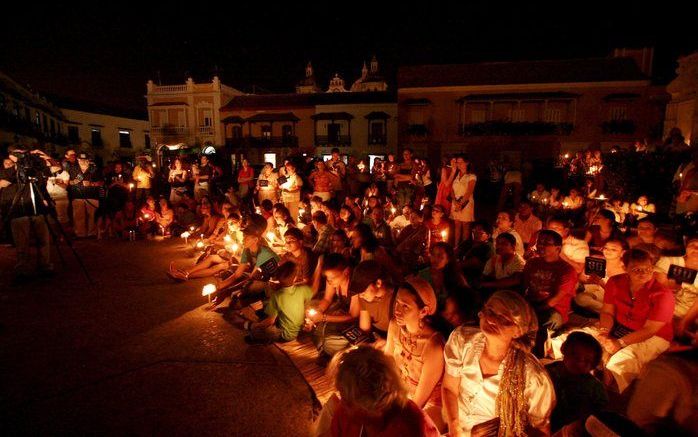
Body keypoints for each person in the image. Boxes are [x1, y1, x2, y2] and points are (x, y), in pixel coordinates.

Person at [550, 249, 675, 393]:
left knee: (622, 361)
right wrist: (604, 333)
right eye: (637, 269)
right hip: (618, 325)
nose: (643, 273)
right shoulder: (615, 282)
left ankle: (598, 388)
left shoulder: (663, 294)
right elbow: (607, 312)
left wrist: (619, 343)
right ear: (625, 268)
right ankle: (562, 369)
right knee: (575, 339)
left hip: (652, 336)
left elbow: (650, 329)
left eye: (648, 269)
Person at [442, 291, 555, 437]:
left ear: (518, 331)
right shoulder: (462, 340)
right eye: (489, 311)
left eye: (502, 318)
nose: (490, 319)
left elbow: (541, 432)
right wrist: (454, 427)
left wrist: (503, 430)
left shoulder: (533, 378)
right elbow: (449, 388)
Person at [313, 346, 440, 437]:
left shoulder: (411, 426)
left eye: (347, 399)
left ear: (373, 406)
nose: (341, 402)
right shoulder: (345, 413)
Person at [384, 277, 445, 428]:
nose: (397, 310)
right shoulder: (395, 326)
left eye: (405, 306)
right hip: (402, 390)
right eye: (397, 303)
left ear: (423, 311)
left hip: (430, 403)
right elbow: (386, 365)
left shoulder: (433, 346)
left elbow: (420, 399)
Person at [0, 147, 60, 280]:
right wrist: (17, 167)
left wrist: (44, 155)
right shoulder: (7, 171)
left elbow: (56, 168)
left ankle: (45, 266)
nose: (22, 157)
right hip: (19, 210)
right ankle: (22, 269)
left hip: (38, 209)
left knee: (44, 240)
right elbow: (2, 183)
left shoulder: (34, 170)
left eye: (23, 154)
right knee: (22, 243)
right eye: (18, 154)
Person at [523, 230, 578, 357]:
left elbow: (554, 300)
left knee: (544, 321)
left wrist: (530, 310)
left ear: (558, 248)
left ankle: (536, 356)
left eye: (546, 243)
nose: (541, 246)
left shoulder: (567, 270)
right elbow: (523, 286)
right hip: (531, 302)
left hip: (553, 309)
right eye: (539, 242)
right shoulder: (532, 263)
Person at [232, 261, 313, 344]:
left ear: (278, 278)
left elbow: (270, 321)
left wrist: (255, 326)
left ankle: (251, 328)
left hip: (285, 335)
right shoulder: (304, 289)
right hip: (299, 330)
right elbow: (308, 307)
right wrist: (309, 322)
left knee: (258, 330)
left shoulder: (277, 296)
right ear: (295, 278)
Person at [545, 332, 608, 433]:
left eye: (587, 361)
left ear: (593, 365)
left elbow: (601, 411)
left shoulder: (594, 387)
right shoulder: (547, 372)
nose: (579, 362)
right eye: (574, 354)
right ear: (564, 349)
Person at [306, 253, 360, 358]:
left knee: (329, 341)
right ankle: (324, 350)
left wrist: (324, 318)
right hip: (341, 309)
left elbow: (354, 316)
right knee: (313, 319)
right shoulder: (331, 280)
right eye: (327, 278)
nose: (330, 281)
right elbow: (327, 299)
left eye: (333, 277)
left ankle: (328, 350)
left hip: (355, 319)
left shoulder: (354, 284)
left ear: (346, 272)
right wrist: (317, 312)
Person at [655, 236, 698, 334]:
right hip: (664, 308)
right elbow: (659, 287)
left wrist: (684, 322)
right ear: (686, 247)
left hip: (690, 314)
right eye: (692, 245)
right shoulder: (669, 261)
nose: (696, 249)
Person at [575, 239, 627, 314]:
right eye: (606, 248)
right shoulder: (596, 260)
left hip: (612, 299)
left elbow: (620, 295)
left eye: (613, 249)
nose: (608, 251)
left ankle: (611, 313)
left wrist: (602, 284)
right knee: (581, 299)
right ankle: (608, 312)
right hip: (594, 295)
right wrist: (589, 280)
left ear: (622, 253)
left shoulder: (625, 269)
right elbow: (581, 278)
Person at [68, 152, 103, 238]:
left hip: (92, 196)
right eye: (81, 160)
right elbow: (67, 181)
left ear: (88, 160)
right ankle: (80, 234)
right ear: (78, 160)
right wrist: (73, 182)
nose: (83, 162)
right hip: (77, 196)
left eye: (85, 160)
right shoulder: (73, 169)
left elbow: (101, 182)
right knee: (79, 216)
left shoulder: (94, 169)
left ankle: (92, 233)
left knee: (92, 216)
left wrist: (91, 184)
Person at [447, 155, 477, 246]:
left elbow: (469, 192)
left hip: (466, 203)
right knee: (457, 225)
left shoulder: (471, 176)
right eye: (457, 162)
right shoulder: (456, 175)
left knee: (465, 225)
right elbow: (451, 189)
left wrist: (461, 203)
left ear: (467, 163)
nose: (458, 164)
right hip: (455, 202)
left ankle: (464, 247)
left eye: (461, 162)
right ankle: (456, 246)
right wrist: (455, 201)